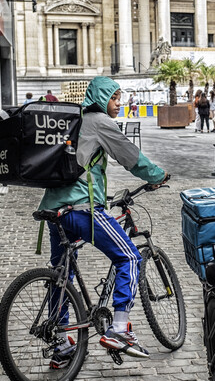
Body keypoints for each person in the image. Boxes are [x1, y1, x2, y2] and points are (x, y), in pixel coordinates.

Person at [37, 77, 169, 362]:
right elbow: (131, 157)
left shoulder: (74, 120)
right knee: (130, 258)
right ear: (101, 98)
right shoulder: (99, 121)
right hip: (82, 208)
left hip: (53, 209)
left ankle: (61, 343)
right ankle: (119, 329)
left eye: (120, 98)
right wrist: (158, 176)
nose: (119, 103)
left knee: (61, 274)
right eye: (114, 98)